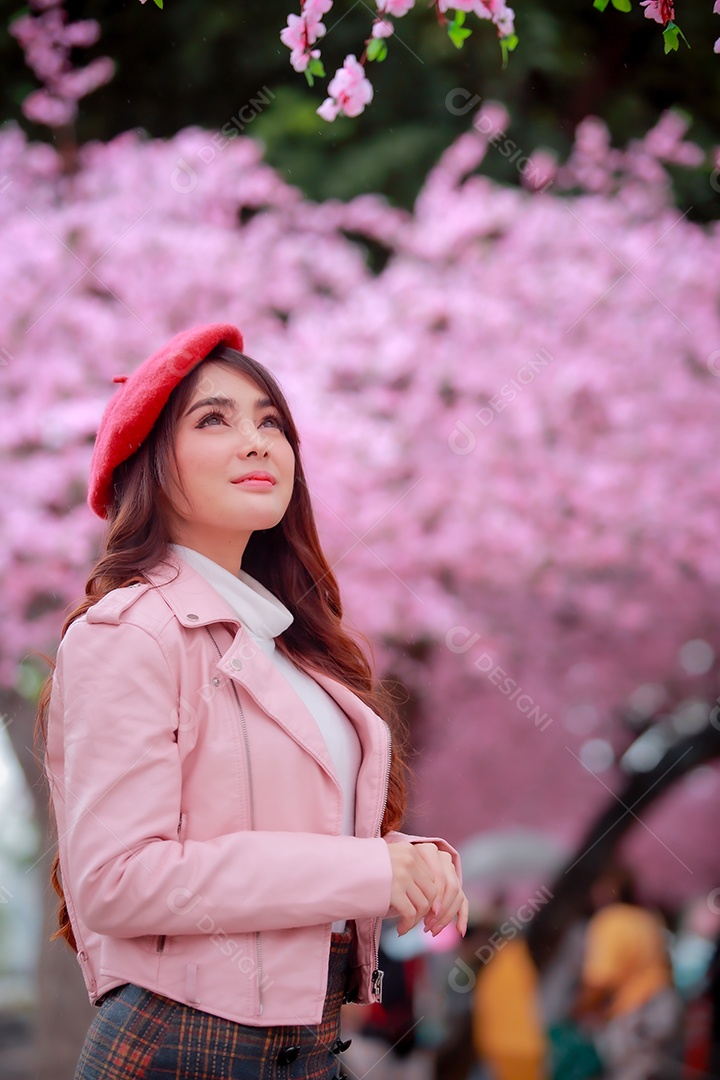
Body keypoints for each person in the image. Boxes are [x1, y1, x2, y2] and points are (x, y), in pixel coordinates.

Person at [38, 323, 469, 1080]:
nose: (257, 441)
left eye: (271, 421)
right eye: (215, 419)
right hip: (182, 1043)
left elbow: (276, 838)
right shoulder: (128, 634)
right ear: (151, 465)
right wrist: (363, 872)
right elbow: (117, 880)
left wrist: (401, 859)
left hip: (308, 1045)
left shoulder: (290, 642)